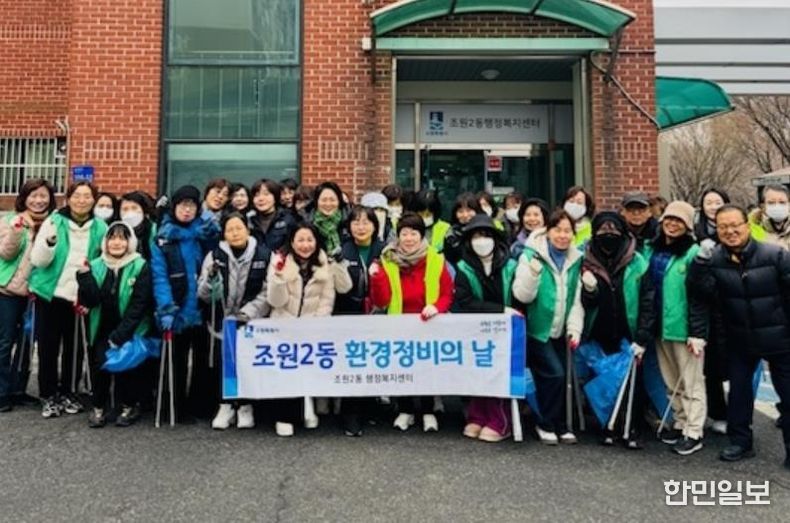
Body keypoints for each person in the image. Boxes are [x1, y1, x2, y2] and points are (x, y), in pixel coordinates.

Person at [688, 204, 790, 468]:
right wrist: (699, 265)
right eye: (723, 227)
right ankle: (740, 442)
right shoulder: (713, 260)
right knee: (738, 395)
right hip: (738, 338)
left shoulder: (775, 255)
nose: (730, 231)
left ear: (747, 225)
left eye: (735, 225)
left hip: (779, 337)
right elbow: (701, 295)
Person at [369, 212, 454, 432]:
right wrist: (377, 278)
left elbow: (447, 293)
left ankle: (427, 411)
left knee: (427, 368)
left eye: (413, 233)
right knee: (402, 367)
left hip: (428, 323)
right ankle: (405, 409)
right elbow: (381, 300)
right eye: (404, 233)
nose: (408, 238)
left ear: (421, 235)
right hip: (398, 324)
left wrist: (436, 307)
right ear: (398, 236)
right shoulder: (388, 259)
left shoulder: (436, 259)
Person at [29, 181, 108, 418]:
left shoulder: (100, 227)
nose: (82, 201)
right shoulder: (54, 221)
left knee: (76, 350)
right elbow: (38, 260)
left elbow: (103, 262)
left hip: (80, 298)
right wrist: (49, 243)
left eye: (87, 196)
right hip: (51, 294)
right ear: (68, 198)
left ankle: (69, 392)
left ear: (93, 200)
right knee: (48, 348)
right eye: (77, 196)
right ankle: (48, 395)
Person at [266, 223, 352, 436]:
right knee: (285, 372)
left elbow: (330, 298)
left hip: (312, 327)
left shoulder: (326, 265)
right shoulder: (280, 262)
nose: (305, 245)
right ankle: (284, 416)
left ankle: (307, 405)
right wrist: (278, 278)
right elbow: (276, 302)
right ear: (292, 242)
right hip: (284, 326)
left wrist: (314, 325)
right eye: (300, 240)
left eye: (310, 240)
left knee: (307, 369)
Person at [580, 212, 655, 449]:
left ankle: (631, 427)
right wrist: (589, 291)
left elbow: (648, 300)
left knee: (633, 382)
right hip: (598, 332)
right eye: (603, 229)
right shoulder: (584, 260)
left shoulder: (638, 262)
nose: (609, 234)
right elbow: (581, 301)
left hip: (629, 332)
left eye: (614, 229)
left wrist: (643, 335)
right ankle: (607, 425)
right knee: (603, 382)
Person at [512, 210, 584, 445]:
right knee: (555, 374)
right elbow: (521, 295)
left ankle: (559, 424)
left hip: (561, 330)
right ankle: (544, 423)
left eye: (567, 231)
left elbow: (576, 299)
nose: (563, 235)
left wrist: (574, 328)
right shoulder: (531, 255)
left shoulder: (576, 259)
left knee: (562, 378)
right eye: (557, 230)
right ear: (548, 231)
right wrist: (533, 273)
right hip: (537, 329)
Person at [150, 185, 220, 423]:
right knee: (175, 361)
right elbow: (159, 276)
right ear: (174, 207)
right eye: (182, 205)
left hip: (201, 306)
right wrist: (166, 308)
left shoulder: (205, 234)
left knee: (203, 360)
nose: (187, 210)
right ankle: (173, 406)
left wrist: (212, 232)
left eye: (191, 206)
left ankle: (200, 406)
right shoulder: (163, 238)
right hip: (177, 307)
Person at [198, 212, 271, 431]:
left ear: (247, 230)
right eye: (230, 229)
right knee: (224, 364)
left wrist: (247, 314)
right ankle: (226, 405)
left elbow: (267, 292)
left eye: (239, 228)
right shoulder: (214, 255)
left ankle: (246, 405)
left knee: (247, 363)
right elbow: (203, 294)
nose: (235, 233)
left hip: (250, 321)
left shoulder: (264, 255)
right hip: (222, 323)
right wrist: (211, 281)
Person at [76, 222, 152, 428]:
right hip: (101, 326)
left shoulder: (140, 266)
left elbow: (139, 304)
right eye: (112, 238)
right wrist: (84, 276)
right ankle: (98, 407)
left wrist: (121, 334)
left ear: (130, 242)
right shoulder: (95, 265)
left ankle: (128, 406)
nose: (117, 243)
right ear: (106, 242)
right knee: (100, 367)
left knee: (128, 368)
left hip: (130, 327)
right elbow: (90, 300)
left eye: (122, 238)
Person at [647, 201, 706, 455]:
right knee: (672, 381)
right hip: (661, 326)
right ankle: (681, 422)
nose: (672, 224)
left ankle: (694, 431)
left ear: (688, 225)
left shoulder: (693, 253)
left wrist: (697, 332)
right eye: (669, 219)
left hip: (684, 329)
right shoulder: (654, 250)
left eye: (679, 220)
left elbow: (700, 297)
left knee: (691, 382)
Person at [455, 214, 518, 442]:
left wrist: (509, 311)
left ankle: (500, 421)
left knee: (498, 374)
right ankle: (477, 416)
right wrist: (500, 309)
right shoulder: (464, 268)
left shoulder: (510, 266)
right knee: (477, 372)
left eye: (486, 235)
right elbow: (465, 301)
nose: (481, 241)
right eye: (476, 237)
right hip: (476, 330)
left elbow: (520, 297)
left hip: (506, 331)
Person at [0, 179, 56, 412]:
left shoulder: (53, 223)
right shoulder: (9, 220)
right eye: (33, 195)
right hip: (9, 290)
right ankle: (2, 392)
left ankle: (18, 389)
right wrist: (16, 231)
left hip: (37, 292)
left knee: (27, 342)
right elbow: (6, 254)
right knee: (5, 341)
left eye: (43, 196)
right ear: (24, 198)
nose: (38, 200)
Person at [334, 206, 386, 436]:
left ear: (375, 226)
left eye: (366, 222)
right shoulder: (342, 251)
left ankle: (371, 408)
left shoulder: (385, 251)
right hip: (349, 315)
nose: (361, 227)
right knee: (353, 364)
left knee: (374, 362)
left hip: (378, 315)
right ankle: (351, 415)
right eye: (356, 222)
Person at [248, 179, 297, 253]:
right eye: (257, 195)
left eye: (266, 194)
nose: (261, 199)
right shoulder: (249, 221)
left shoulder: (288, 219)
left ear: (275, 197)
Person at [442, 192, 482, 266]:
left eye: (469, 210)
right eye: (460, 211)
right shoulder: (451, 234)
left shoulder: (485, 230)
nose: (465, 215)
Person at [309, 181, 348, 255]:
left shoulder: (348, 222)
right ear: (316, 202)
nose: (328, 204)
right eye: (324, 200)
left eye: (332, 200)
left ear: (339, 201)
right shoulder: (307, 222)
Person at [408, 189, 450, 253]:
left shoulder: (445, 228)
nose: (424, 217)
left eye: (428, 215)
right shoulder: (403, 225)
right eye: (421, 214)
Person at [119, 191, 157, 260]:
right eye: (125, 209)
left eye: (134, 208)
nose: (130, 212)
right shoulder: (117, 231)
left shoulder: (154, 230)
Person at [620, 192, 658, 256]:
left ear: (650, 212)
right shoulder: (617, 234)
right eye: (631, 208)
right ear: (622, 212)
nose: (636, 213)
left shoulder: (659, 235)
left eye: (641, 208)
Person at [755, 184, 790, 250]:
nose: (777, 206)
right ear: (763, 206)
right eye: (771, 203)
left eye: (782, 202)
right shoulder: (752, 230)